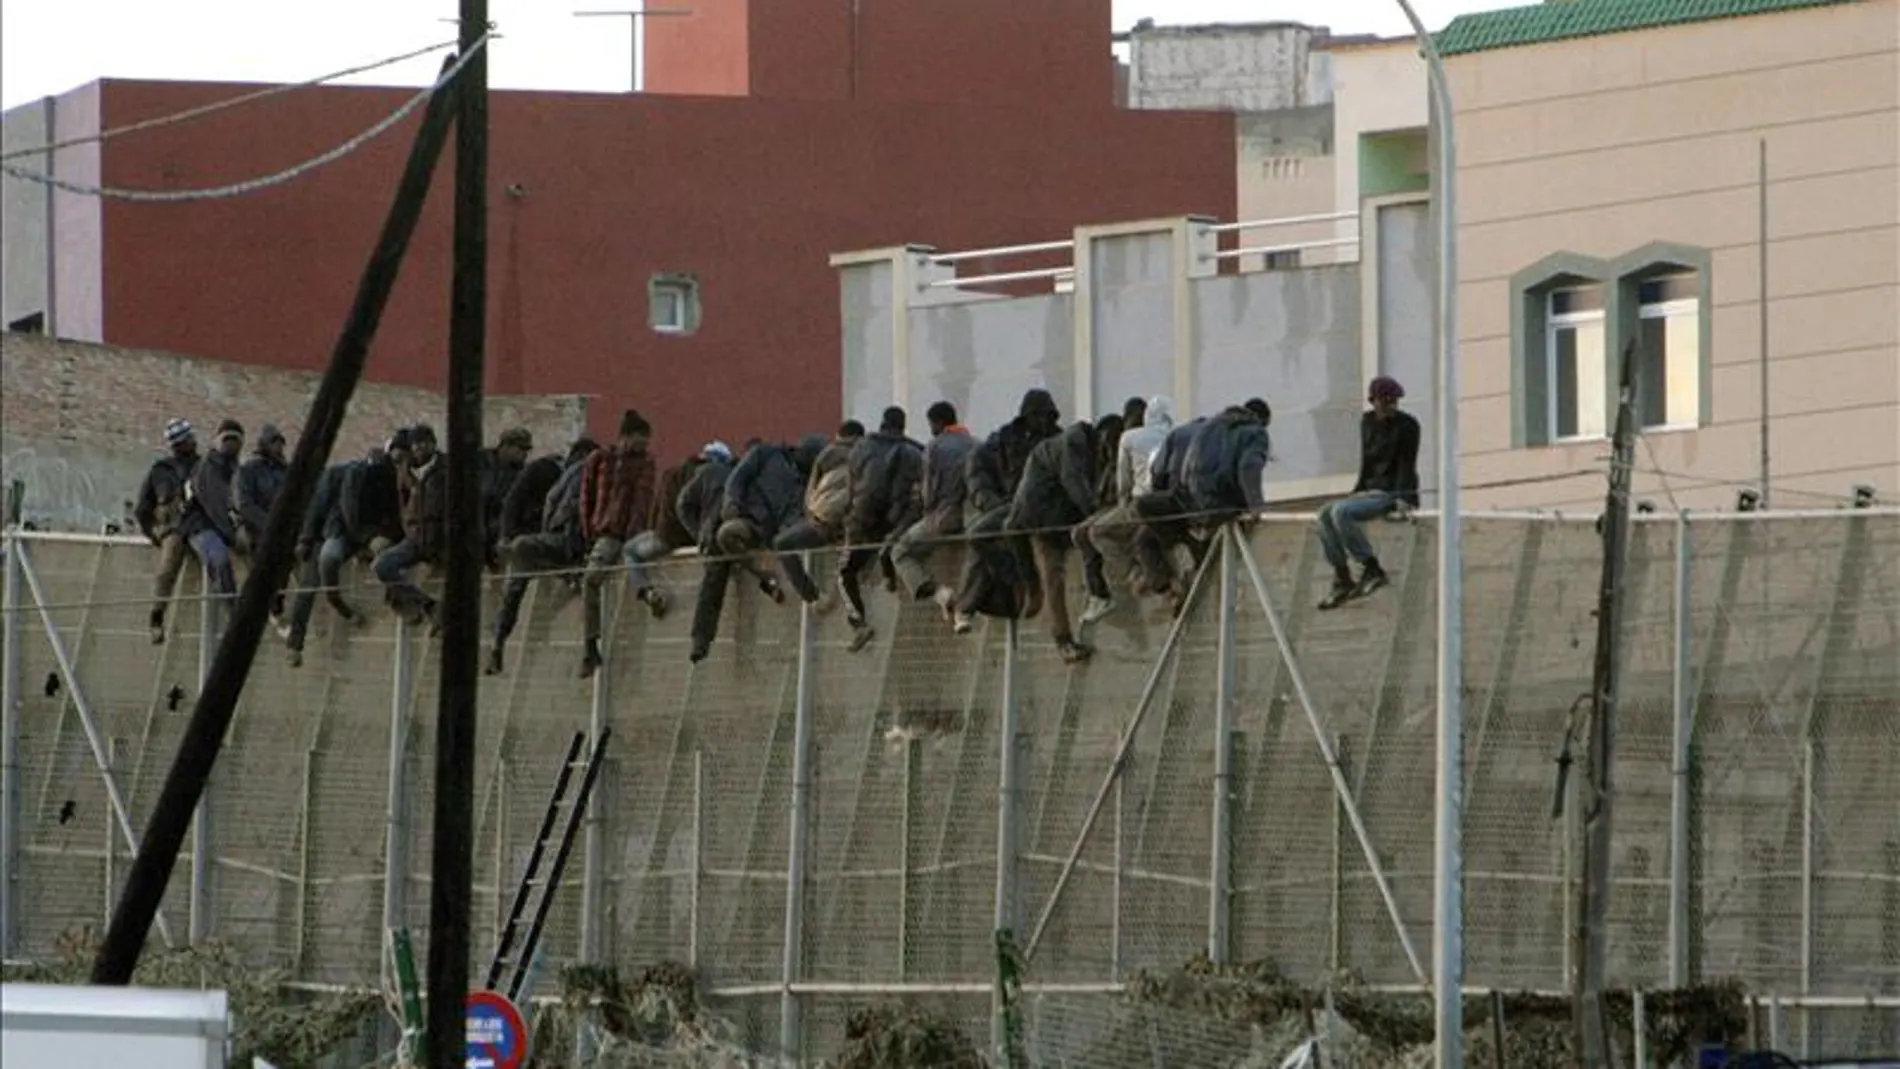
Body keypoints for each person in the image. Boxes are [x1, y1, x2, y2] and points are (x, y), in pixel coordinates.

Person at [950, 389, 1062, 633]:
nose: (1042, 421)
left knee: (983, 536)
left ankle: (968, 606)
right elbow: (977, 470)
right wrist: (990, 502)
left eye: (1046, 416)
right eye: (1037, 415)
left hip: (1041, 507)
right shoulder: (1004, 438)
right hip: (1009, 504)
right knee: (980, 535)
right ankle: (1014, 579)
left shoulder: (1058, 440)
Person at [487, 437, 599, 675]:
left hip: (553, 543)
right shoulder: (548, 470)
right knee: (517, 579)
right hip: (544, 541)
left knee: (517, 581)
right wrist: (506, 536)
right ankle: (498, 641)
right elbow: (515, 501)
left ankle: (498, 641)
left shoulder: (574, 476)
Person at [285, 439, 399, 668]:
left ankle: (398, 600)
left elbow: (393, 515)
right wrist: (306, 540)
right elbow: (320, 508)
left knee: (389, 560)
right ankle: (295, 645)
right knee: (312, 582)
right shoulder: (341, 474)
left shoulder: (388, 479)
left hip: (363, 536)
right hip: (333, 533)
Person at [1316, 375, 1421, 610]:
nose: (1390, 407)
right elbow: (1366, 460)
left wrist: (1405, 498)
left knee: (1341, 513)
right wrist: (1358, 489)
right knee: (1324, 514)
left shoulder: (1407, 425)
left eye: (1394, 402)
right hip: (1368, 489)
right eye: (1385, 402)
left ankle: (1371, 567)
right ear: (1373, 401)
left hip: (1389, 492)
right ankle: (1342, 576)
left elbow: (1407, 464)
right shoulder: (1367, 423)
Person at [1004, 419, 1099, 663]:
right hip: (1046, 518)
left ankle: (1041, 602)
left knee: (1052, 577)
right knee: (1054, 576)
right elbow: (1074, 481)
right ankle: (1063, 639)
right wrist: (1095, 513)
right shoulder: (1072, 445)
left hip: (1033, 515)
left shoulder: (1052, 446)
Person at [1074, 394, 1174, 625]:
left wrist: (1123, 506)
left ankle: (1133, 575)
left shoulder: (1129, 438)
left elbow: (1124, 482)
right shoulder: (1172, 434)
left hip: (1139, 503)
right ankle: (1161, 586)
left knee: (1096, 532)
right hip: (1169, 503)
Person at [577, 411, 662, 678]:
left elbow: (645, 502)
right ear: (626, 436)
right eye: (640, 439)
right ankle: (591, 644)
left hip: (631, 536)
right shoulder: (600, 459)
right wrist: (589, 533)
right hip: (608, 533)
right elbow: (586, 498)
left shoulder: (646, 463)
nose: (643, 445)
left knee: (646, 558)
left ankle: (648, 593)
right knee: (592, 579)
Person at [838, 407, 924, 652]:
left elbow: (851, 487)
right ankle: (888, 572)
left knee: (845, 573)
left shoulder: (861, 448)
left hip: (862, 521)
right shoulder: (913, 451)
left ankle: (859, 623)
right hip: (895, 522)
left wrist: (848, 518)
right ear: (902, 426)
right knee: (892, 547)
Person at [889, 402, 975, 611]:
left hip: (946, 517)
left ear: (937, 423)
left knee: (901, 552)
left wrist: (926, 512)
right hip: (975, 517)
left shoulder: (935, 447)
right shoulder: (977, 444)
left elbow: (929, 492)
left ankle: (940, 594)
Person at [775, 421, 864, 608]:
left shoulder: (827, 454)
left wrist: (814, 518)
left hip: (826, 521)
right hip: (858, 522)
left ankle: (813, 596)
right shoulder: (869, 453)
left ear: (839, 436)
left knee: (782, 544)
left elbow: (811, 493)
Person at [134, 418, 202, 645]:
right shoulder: (160, 471)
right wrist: (153, 533)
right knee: (168, 566)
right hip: (173, 529)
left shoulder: (204, 467)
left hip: (200, 525)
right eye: (186, 439)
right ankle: (156, 616)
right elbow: (143, 508)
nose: (192, 442)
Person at [374, 423, 445, 626]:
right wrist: (408, 528)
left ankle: (438, 617)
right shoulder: (405, 471)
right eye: (416, 444)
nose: (420, 448)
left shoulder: (447, 469)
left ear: (433, 444)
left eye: (425, 443)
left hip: (441, 537)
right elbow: (402, 504)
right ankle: (427, 605)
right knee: (383, 565)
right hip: (415, 537)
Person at [678, 441, 738, 663]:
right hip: (729, 534)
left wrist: (698, 533)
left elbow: (682, 505)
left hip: (711, 539)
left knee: (711, 586)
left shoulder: (701, 476)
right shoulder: (727, 473)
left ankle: (701, 641)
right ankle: (769, 585)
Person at [179, 419, 245, 604]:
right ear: (217, 441)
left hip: (224, 527)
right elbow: (215, 506)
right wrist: (233, 535)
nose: (231, 444)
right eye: (227, 439)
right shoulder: (208, 467)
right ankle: (234, 615)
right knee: (220, 560)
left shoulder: (237, 469)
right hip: (200, 526)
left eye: (236, 440)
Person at [234, 423, 290, 626]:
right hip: (255, 526)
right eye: (275, 443)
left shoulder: (285, 470)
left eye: (281, 444)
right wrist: (268, 524)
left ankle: (276, 605)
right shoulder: (250, 469)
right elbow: (245, 504)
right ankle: (267, 607)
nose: (279, 448)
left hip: (282, 527)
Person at [480, 427, 534, 569]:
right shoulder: (480, 463)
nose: (524, 455)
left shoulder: (522, 475)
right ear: (506, 446)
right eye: (520, 449)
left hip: (497, 533)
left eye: (526, 451)